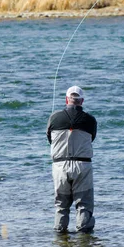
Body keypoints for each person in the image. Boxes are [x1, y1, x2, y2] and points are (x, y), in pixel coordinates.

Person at [47, 86, 97, 233]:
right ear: (82, 101)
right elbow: (92, 138)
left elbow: (50, 139)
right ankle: (84, 241)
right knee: (84, 205)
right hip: (82, 165)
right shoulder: (90, 120)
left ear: (66, 99)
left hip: (59, 165)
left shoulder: (54, 117)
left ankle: (61, 241)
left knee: (61, 205)